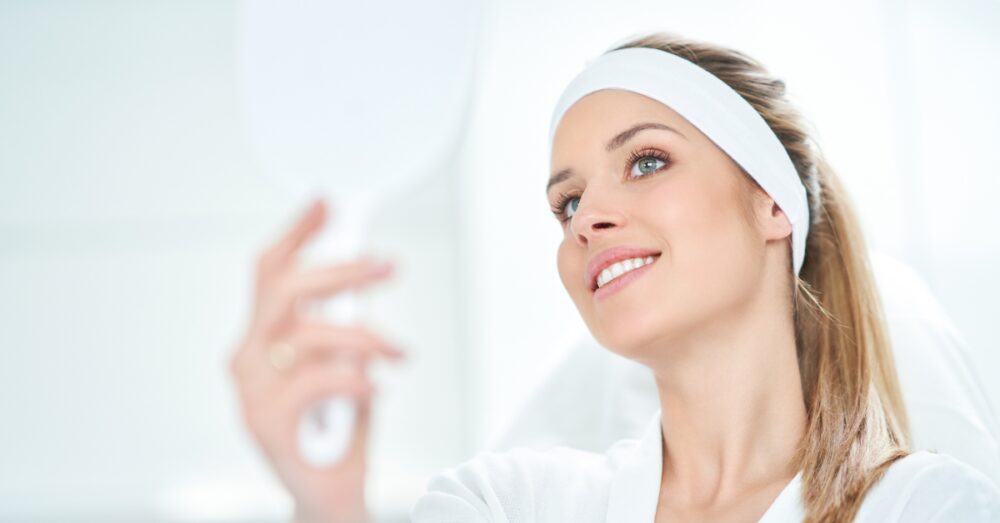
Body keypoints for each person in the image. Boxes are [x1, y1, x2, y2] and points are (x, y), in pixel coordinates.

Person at [229, 32, 1000, 522]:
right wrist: (326, 507)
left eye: (646, 161)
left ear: (771, 204)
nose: (588, 218)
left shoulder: (927, 506)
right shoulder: (512, 502)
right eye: (566, 202)